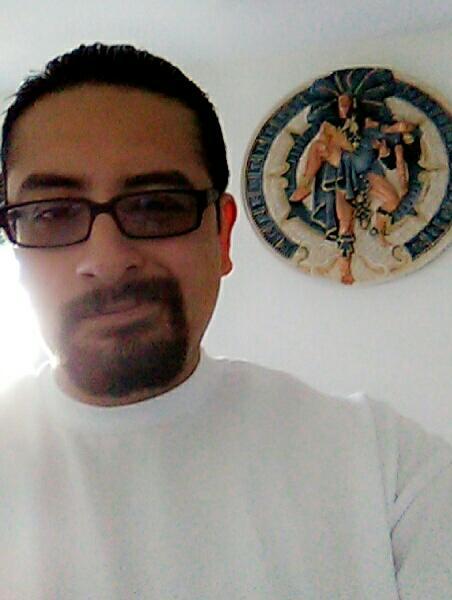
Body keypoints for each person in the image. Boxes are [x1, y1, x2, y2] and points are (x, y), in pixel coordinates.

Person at [0, 44, 451, 599]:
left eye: (157, 205)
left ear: (221, 235)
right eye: (51, 214)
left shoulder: (383, 467)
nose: (107, 259)